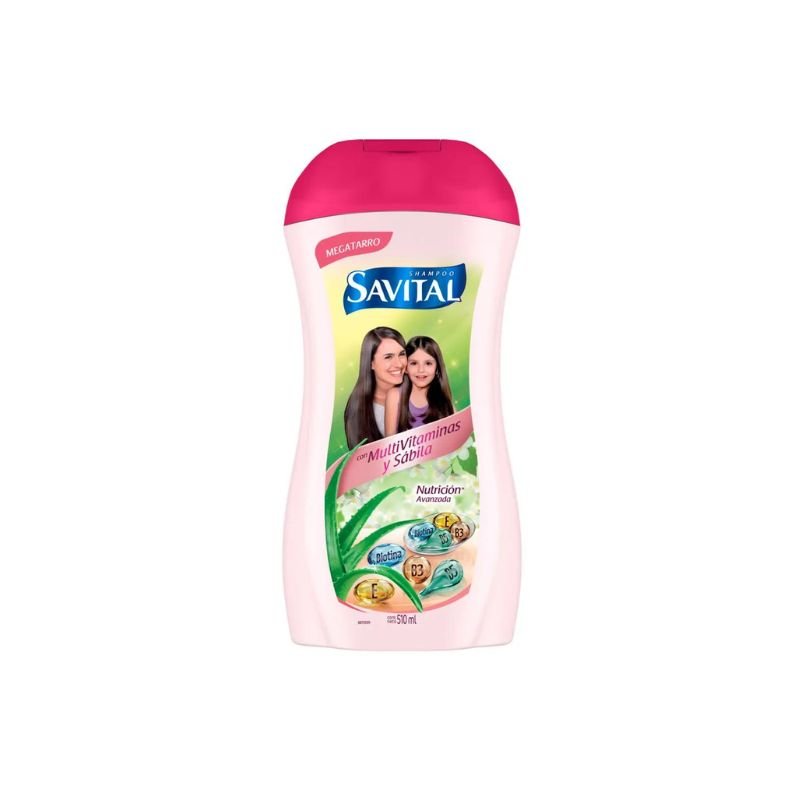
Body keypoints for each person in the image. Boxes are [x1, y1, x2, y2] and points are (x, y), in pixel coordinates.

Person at [343, 327, 407, 448]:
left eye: (402, 354)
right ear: (371, 363)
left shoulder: (420, 391)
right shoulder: (358, 408)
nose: (399, 364)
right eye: (388, 357)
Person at [385, 336, 454, 435]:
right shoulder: (395, 395)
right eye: (414, 363)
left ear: (437, 368)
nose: (421, 370)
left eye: (428, 363)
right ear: (406, 368)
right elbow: (389, 440)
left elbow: (458, 432)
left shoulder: (443, 398)